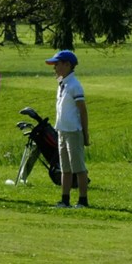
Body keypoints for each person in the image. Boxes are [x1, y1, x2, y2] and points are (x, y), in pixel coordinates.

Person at [46, 49, 89, 208]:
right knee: (65, 168)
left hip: (73, 131)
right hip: (62, 130)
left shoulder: (74, 86)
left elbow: (82, 111)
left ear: (67, 65)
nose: (54, 68)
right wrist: (57, 75)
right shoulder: (62, 83)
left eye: (57, 64)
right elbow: (57, 78)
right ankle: (65, 199)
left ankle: (83, 200)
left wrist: (86, 134)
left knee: (78, 168)